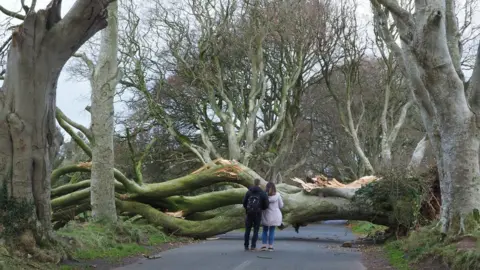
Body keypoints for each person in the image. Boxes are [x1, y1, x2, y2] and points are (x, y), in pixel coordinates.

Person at [242, 178, 269, 251]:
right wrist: (261, 208)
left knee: (247, 229)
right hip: (258, 213)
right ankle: (253, 246)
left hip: (249, 213)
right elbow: (266, 204)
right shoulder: (262, 193)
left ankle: (246, 246)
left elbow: (244, 202)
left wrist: (247, 209)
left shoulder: (249, 192)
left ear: (253, 183)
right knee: (256, 230)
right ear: (259, 184)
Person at [261, 182, 284, 251]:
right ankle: (270, 246)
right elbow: (281, 205)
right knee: (272, 230)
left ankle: (264, 246)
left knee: (264, 230)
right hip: (275, 215)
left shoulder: (264, 195)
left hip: (266, 214)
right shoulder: (277, 195)